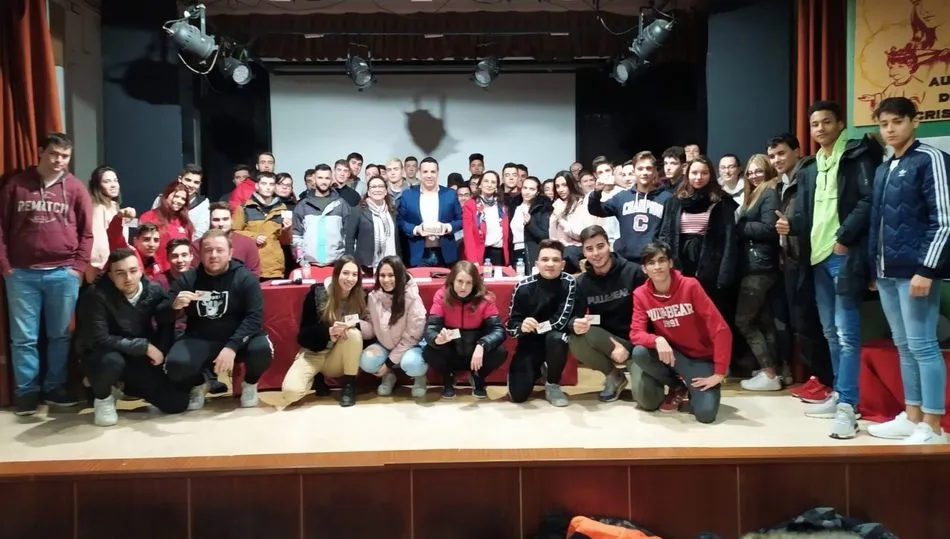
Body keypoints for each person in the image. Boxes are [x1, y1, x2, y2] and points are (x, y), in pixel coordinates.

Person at [775, 99, 883, 439]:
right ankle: (839, 394)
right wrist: (790, 227)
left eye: (826, 122)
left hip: (843, 254)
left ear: (840, 124)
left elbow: (869, 200)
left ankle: (849, 407)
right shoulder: (812, 166)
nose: (820, 128)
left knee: (847, 334)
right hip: (816, 257)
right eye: (815, 124)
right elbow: (807, 214)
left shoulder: (856, 156)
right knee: (830, 333)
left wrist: (844, 238)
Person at [866, 96, 950, 445]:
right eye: (884, 124)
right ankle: (912, 415)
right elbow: (878, 224)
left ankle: (933, 425)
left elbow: (944, 221)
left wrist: (927, 269)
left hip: (917, 272)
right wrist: (875, 267)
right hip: (887, 273)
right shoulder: (885, 167)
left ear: (914, 121)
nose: (890, 129)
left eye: (897, 122)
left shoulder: (930, 159)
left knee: (923, 346)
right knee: (902, 346)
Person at [0, 132, 92, 415]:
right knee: (24, 338)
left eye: (64, 156)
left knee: (60, 336)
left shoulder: (76, 188)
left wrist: (78, 268)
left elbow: (87, 233)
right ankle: (27, 393)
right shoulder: (16, 185)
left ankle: (55, 387)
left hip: (63, 273)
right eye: (53, 154)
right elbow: (1, 227)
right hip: (22, 274)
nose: (58, 161)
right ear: (41, 151)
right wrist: (6, 267)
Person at [75, 248, 190, 425]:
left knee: (177, 403)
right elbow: (99, 338)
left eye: (133, 271)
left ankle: (124, 386)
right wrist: (144, 346)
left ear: (141, 271)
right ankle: (102, 396)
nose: (128, 278)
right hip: (103, 353)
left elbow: (163, 321)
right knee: (111, 362)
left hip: (137, 358)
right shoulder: (95, 295)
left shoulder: (153, 290)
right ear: (110, 275)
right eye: (120, 273)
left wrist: (174, 308)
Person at [162, 229, 272, 411]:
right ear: (200, 253)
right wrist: (174, 306)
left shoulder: (245, 278)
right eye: (208, 250)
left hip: (239, 338)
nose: (213, 255)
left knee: (262, 350)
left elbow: (255, 318)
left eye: (219, 250)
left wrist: (232, 346)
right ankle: (199, 384)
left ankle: (250, 384)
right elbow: (160, 314)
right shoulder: (189, 279)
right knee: (176, 365)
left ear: (230, 253)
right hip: (201, 337)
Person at [629, 242, 730, 423]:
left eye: (662, 260)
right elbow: (636, 333)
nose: (657, 267)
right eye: (651, 263)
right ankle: (678, 387)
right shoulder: (640, 294)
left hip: (700, 358)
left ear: (671, 263)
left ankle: (694, 388)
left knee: (706, 415)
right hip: (674, 355)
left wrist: (720, 373)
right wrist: (657, 339)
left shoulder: (690, 286)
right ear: (644, 269)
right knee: (640, 352)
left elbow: (721, 329)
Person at [768, 133, 834, 403]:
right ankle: (818, 378)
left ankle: (828, 382)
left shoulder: (809, 176)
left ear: (797, 151)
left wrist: (791, 227)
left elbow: (811, 218)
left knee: (815, 324)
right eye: (772, 156)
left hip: (811, 259)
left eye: (781, 153)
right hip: (791, 260)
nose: (777, 160)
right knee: (801, 324)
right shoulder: (782, 184)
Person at [569, 226, 641, 402]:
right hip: (607, 338)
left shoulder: (634, 272)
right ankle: (614, 376)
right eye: (589, 248)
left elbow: (648, 316)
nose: (596, 253)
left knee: (647, 399)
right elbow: (574, 317)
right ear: (584, 252)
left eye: (600, 246)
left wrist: (630, 347)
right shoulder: (583, 282)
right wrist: (575, 324)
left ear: (609, 245)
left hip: (638, 341)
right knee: (575, 337)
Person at [282, 255, 365, 407]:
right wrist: (328, 333)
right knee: (290, 393)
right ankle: (314, 378)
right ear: (336, 273)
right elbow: (303, 336)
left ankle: (349, 386)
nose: (350, 279)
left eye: (354, 274)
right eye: (345, 273)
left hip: (337, 357)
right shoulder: (317, 293)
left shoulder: (360, 297)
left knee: (354, 334)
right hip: (313, 354)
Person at [506, 239, 577, 406]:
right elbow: (510, 326)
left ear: (563, 264)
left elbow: (560, 321)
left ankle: (552, 383)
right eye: (545, 259)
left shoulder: (569, 282)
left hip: (554, 342)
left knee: (557, 338)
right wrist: (522, 327)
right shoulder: (522, 287)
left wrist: (536, 327)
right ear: (537, 263)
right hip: (528, 345)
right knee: (518, 397)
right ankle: (536, 370)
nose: (550, 264)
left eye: (556, 260)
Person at [423, 260, 508, 399]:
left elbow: (498, 330)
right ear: (452, 281)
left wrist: (483, 344)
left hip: (475, 351)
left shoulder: (485, 298)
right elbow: (431, 328)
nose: (463, 287)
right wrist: (437, 339)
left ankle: (478, 376)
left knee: (500, 351)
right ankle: (448, 378)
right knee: (429, 351)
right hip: (450, 349)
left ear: (475, 283)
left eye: (469, 282)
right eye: (460, 281)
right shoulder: (441, 296)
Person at [734, 155, 783, 392]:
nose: (754, 175)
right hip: (755, 265)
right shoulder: (755, 194)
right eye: (750, 172)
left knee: (743, 321)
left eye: (758, 171)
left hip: (759, 267)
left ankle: (770, 373)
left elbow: (769, 229)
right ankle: (770, 370)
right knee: (762, 321)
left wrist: (738, 226)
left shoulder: (769, 192)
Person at [588, 151, 671, 271]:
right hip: (626, 261)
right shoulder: (622, 197)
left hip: (653, 261)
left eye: (648, 168)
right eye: (640, 169)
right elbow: (597, 210)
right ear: (635, 171)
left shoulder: (666, 198)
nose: (644, 172)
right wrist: (596, 193)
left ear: (654, 171)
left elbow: (669, 234)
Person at [359, 256, 429, 398]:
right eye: (382, 275)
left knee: (412, 363)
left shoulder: (412, 297)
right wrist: (355, 324)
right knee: (366, 362)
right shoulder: (373, 297)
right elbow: (372, 328)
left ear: (400, 275)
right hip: (385, 344)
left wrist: (389, 363)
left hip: (410, 346)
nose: (386, 280)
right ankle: (389, 377)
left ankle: (420, 378)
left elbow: (412, 337)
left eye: (391, 275)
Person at [396, 157, 463, 267]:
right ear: (419, 173)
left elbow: (461, 220)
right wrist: (415, 229)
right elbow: (400, 221)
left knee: (446, 284)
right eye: (425, 172)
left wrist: (448, 227)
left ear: (438, 173)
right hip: (418, 254)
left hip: (445, 253)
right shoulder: (408, 195)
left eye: (433, 172)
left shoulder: (450, 194)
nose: (429, 175)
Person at [231, 171, 290, 279]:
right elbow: (233, 233)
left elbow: (285, 241)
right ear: (257, 186)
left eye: (271, 184)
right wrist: (254, 237)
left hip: (275, 267)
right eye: (264, 184)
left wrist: (287, 230)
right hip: (251, 266)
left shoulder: (282, 208)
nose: (268, 187)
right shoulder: (244, 208)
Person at [292, 163, 351, 268]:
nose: (324, 181)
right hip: (309, 265)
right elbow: (296, 236)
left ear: (331, 179)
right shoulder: (303, 205)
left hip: (336, 264)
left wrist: (345, 260)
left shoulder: (341, 204)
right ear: (314, 179)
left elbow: (349, 236)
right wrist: (301, 259)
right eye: (320, 177)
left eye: (327, 178)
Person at [344, 176, 401, 274]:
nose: (377, 189)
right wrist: (351, 265)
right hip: (366, 267)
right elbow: (349, 240)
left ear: (386, 191)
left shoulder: (392, 211)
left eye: (380, 186)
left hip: (392, 264)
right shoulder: (357, 210)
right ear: (369, 192)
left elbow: (398, 239)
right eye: (373, 187)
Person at [88, 166, 135, 280]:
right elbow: (98, 244)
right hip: (104, 268)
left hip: (117, 263)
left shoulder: (114, 206)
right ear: (97, 186)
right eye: (107, 181)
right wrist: (102, 268)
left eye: (115, 180)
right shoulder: (97, 208)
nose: (113, 185)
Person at [140, 180, 194, 273]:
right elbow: (142, 247)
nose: (179, 201)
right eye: (176, 196)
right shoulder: (149, 217)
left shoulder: (185, 222)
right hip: (154, 273)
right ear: (166, 195)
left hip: (178, 273)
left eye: (183, 199)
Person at [463, 170, 510, 267]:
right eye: (486, 181)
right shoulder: (471, 205)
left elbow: (505, 235)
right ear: (480, 185)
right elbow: (468, 235)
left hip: (499, 253)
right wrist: (472, 260)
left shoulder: (502, 207)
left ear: (497, 187)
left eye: (493, 182)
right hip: (480, 253)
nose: (489, 184)